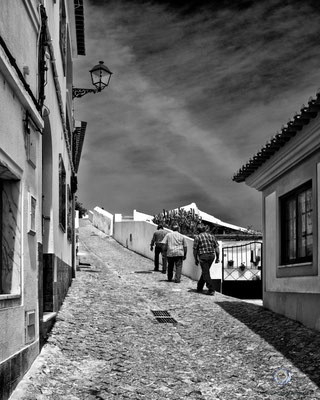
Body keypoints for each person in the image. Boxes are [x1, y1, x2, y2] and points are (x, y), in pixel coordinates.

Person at [193, 224, 220, 295]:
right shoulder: (211, 236)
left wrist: (195, 259)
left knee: (205, 272)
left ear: (198, 231)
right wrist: (217, 257)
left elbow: (195, 250)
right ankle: (199, 287)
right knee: (205, 272)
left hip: (203, 256)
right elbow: (217, 248)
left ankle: (211, 289)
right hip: (211, 256)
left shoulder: (197, 237)